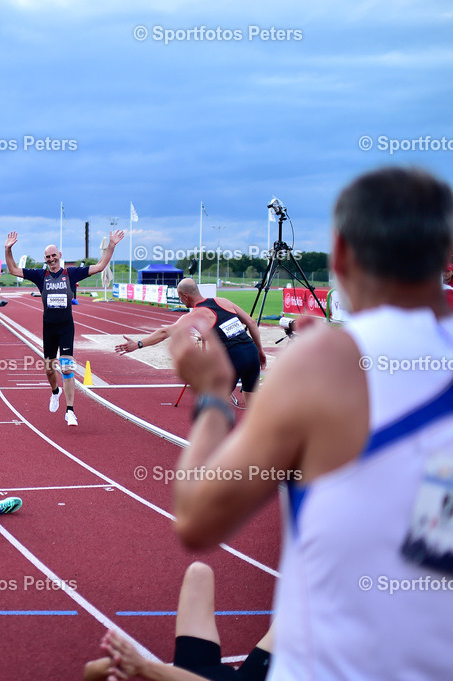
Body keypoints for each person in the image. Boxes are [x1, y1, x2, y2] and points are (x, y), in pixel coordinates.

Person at [167, 167, 453, 680]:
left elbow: (195, 519)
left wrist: (213, 398)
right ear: (445, 258)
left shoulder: (324, 363)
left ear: (340, 255)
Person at [4, 229, 125, 425]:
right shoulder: (39, 275)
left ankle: (70, 410)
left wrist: (111, 245)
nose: (51, 259)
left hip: (66, 327)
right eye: (47, 257)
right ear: (45, 259)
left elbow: (101, 266)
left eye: (54, 255)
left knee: (66, 367)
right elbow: (13, 270)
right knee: (50, 369)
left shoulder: (71, 273)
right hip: (49, 328)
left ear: (60, 255)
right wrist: (7, 249)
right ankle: (55, 392)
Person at [83, 562, 273, 681]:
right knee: (298, 615)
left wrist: (118, 663)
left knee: (199, 572)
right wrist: (143, 667)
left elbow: (90, 671)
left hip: (192, 670)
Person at [116, 278, 266, 408]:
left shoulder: (195, 315)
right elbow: (252, 323)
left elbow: (165, 332)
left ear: (185, 296)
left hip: (232, 357)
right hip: (251, 351)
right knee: (252, 405)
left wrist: (138, 344)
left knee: (213, 405)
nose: (181, 300)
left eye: (180, 297)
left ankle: (217, 440)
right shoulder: (223, 301)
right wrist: (260, 351)